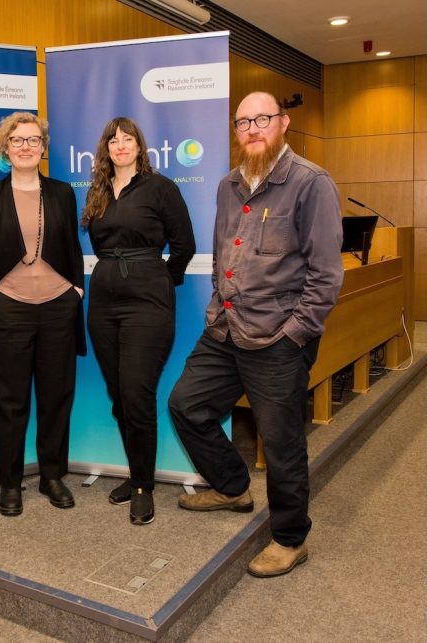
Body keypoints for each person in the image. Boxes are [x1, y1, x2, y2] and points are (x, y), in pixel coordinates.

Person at [168, 92, 344, 577]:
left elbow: (326, 275)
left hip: (278, 339)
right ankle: (231, 485)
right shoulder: (228, 184)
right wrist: (213, 310)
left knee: (283, 443)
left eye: (262, 119)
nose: (252, 128)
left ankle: (291, 539)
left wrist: (295, 334)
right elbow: (226, 254)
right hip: (225, 330)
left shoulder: (310, 183)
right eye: (243, 121)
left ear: (283, 123)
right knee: (187, 404)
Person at [83, 117, 195, 525]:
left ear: (139, 145)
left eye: (127, 139)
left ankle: (145, 486)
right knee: (119, 395)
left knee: (137, 393)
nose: (120, 145)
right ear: (105, 148)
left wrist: (163, 277)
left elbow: (185, 244)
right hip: (103, 299)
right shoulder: (97, 191)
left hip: (147, 300)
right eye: (113, 140)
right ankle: (136, 474)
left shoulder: (160, 187)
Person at [0, 112, 85, 516]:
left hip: (58, 305)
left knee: (56, 397)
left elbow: (72, 245)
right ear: (6, 147)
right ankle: (10, 482)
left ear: (43, 147)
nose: (25, 146)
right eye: (17, 140)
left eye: (33, 140)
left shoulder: (62, 192)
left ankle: (52, 476)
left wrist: (76, 290)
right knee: (10, 399)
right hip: (9, 307)